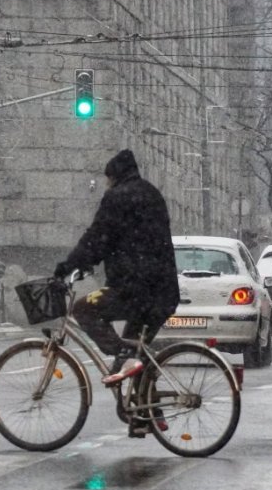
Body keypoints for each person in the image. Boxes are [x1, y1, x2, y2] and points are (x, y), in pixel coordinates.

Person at [54, 149, 180, 387]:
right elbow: (121, 238)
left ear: (113, 176)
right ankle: (146, 417)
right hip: (163, 292)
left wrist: (68, 266)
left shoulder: (117, 197)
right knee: (133, 361)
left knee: (83, 310)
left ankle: (123, 355)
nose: (106, 184)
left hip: (135, 290)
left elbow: (97, 238)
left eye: (107, 179)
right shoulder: (151, 193)